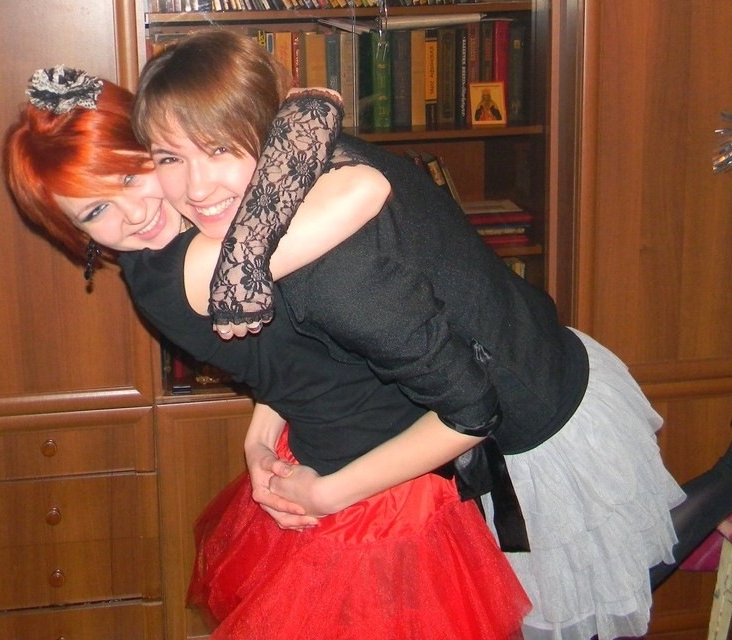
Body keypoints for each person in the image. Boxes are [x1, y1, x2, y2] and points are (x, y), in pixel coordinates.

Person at [130, 29, 732, 640]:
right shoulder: (295, 171)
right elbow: (312, 353)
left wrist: (327, 496)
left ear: (267, 132)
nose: (197, 189)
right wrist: (259, 437)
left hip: (527, 408)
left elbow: (473, 411)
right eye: (170, 158)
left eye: (220, 149)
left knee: (586, 593)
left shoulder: (332, 269)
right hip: (484, 367)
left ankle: (727, 483)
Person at [5, 64, 533, 639]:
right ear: (74, 232)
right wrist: (325, 495)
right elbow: (361, 182)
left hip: (338, 451)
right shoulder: (191, 270)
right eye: (95, 211)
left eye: (131, 176)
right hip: (373, 488)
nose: (133, 214)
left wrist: (258, 436)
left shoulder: (197, 231)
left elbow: (290, 358)